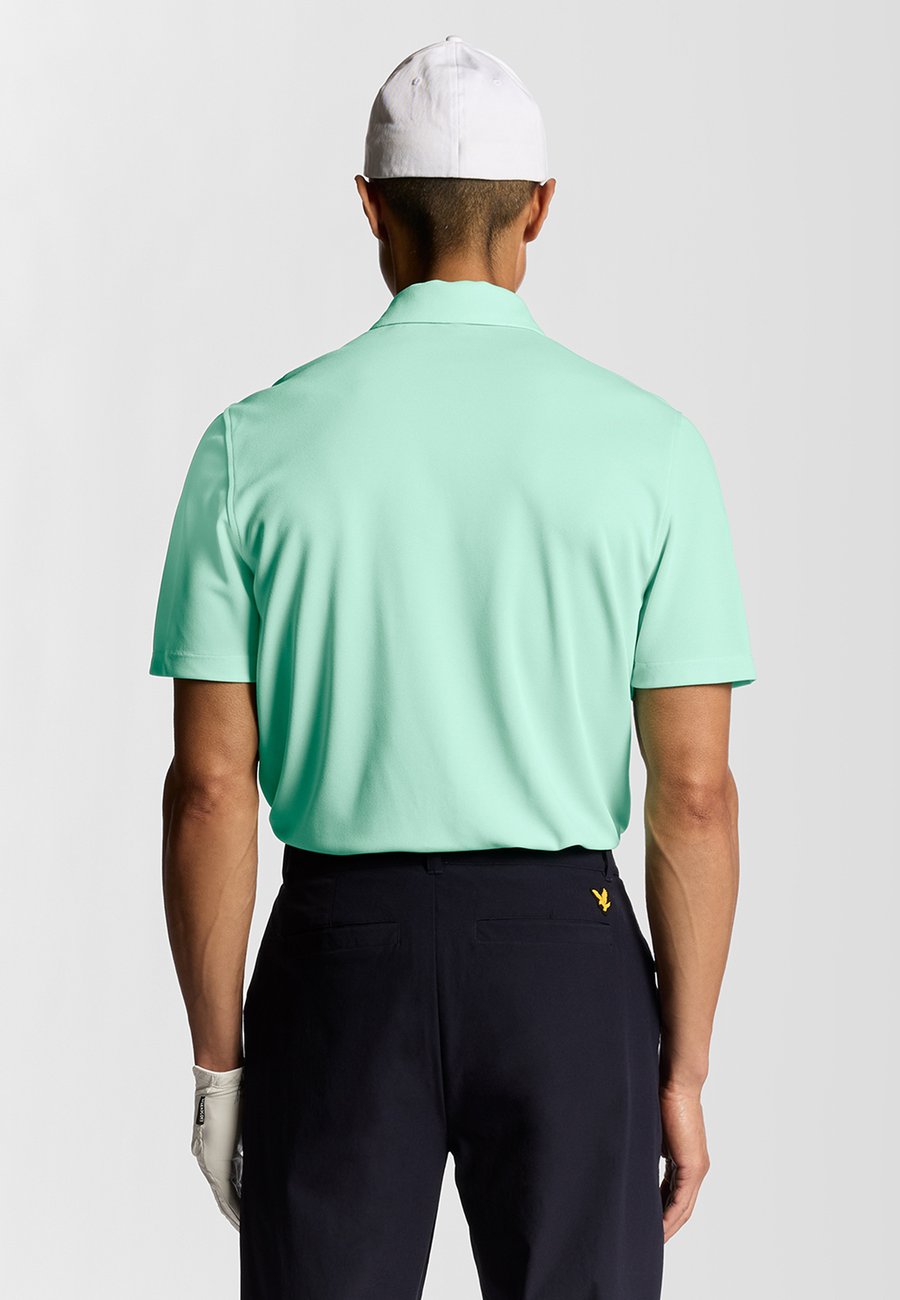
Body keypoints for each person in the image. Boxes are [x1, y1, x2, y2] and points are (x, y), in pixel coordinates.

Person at [149, 35, 756, 1300]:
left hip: (340, 955)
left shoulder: (250, 447)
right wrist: (684, 1070)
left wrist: (219, 1068)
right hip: (567, 957)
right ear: (540, 208)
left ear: (370, 208)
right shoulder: (652, 450)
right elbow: (694, 794)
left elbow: (209, 788)